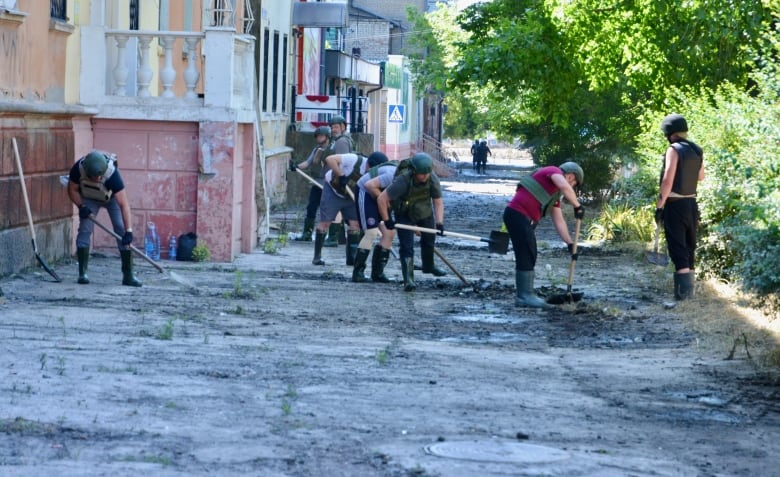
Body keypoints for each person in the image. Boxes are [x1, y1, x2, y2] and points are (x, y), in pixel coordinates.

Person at [503, 162, 585, 307]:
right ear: (570, 176)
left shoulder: (553, 196)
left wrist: (570, 243)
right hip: (517, 215)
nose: (571, 187)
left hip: (521, 218)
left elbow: (559, 221)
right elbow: (565, 186)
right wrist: (577, 206)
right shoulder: (553, 171)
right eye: (573, 183)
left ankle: (526, 294)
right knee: (527, 253)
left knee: (530, 253)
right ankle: (524, 296)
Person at [67, 150, 141, 287]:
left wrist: (129, 231)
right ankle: (82, 273)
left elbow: (124, 204)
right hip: (89, 198)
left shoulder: (112, 175)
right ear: (88, 174)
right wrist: (81, 206)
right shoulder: (78, 170)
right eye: (96, 177)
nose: (100, 178)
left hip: (111, 199)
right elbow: (72, 190)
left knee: (120, 228)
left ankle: (128, 275)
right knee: (85, 228)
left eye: (101, 176)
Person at [377, 153, 447, 292]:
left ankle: (429, 266)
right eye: (422, 174)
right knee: (407, 245)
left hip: (424, 211)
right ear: (414, 171)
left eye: (427, 173)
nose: (425, 177)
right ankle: (408, 279)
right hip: (404, 213)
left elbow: (438, 202)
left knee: (429, 240)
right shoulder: (402, 181)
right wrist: (387, 219)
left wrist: (439, 222)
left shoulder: (432, 179)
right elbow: (382, 199)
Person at [655, 114, 704, 300]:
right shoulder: (697, 150)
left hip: (675, 205)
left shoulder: (673, 150)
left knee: (678, 247)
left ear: (669, 133)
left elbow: (667, 180)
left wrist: (659, 206)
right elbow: (701, 177)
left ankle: (683, 296)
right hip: (692, 204)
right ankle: (689, 294)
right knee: (690, 246)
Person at [311, 152, 369, 266]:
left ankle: (351, 259)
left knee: (355, 224)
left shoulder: (373, 174)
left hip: (351, 196)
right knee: (325, 223)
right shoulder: (354, 159)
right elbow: (329, 158)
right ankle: (317, 257)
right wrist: (341, 175)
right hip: (332, 190)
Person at [352, 152, 397, 283]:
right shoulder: (392, 176)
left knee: (389, 232)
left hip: (379, 195)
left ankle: (378, 273)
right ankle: (358, 272)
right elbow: (368, 185)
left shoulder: (409, 183)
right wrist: (384, 203)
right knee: (371, 232)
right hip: (365, 192)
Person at [289, 126, 332, 241]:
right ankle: (307, 234)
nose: (319, 138)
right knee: (311, 207)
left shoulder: (333, 149)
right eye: (317, 136)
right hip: (317, 182)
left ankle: (332, 235)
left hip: (330, 184)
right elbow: (307, 163)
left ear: (327, 137)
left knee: (329, 209)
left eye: (321, 136)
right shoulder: (316, 150)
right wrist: (296, 166)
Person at [323, 115, 355, 247]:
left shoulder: (341, 142)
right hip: (340, 179)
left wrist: (339, 178)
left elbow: (341, 162)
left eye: (336, 127)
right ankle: (340, 237)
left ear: (343, 127)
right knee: (341, 209)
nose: (333, 129)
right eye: (331, 127)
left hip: (339, 180)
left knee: (336, 209)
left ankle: (333, 238)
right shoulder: (341, 140)